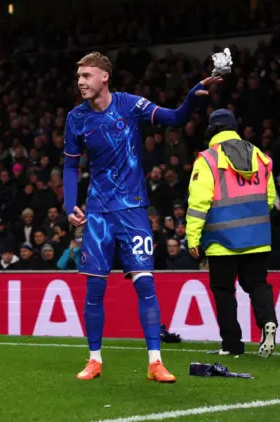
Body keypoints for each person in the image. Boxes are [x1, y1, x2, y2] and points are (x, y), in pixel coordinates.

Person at [62, 51, 221, 382]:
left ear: (105, 76)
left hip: (133, 209)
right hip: (98, 213)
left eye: (87, 76)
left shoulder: (130, 105)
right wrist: (69, 204)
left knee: (145, 283)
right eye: (78, 77)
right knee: (94, 288)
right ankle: (94, 359)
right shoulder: (76, 118)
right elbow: (69, 165)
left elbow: (176, 118)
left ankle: (155, 362)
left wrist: (192, 96)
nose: (80, 82)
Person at [186, 109, 278, 358]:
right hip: (257, 237)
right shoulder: (260, 156)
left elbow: (199, 202)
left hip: (222, 240)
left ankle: (232, 344)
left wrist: (192, 237)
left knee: (224, 291)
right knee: (257, 283)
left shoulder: (207, 159)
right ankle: (268, 320)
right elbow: (270, 198)